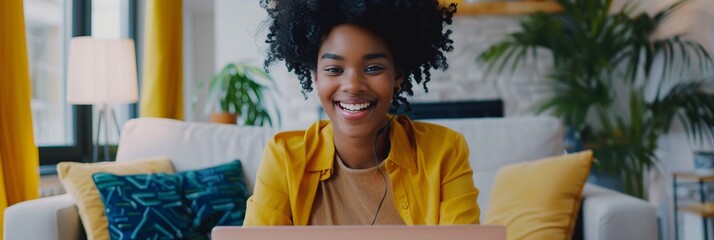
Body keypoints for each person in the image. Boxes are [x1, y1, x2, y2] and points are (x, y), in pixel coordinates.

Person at [244, 0, 480, 226]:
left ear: (397, 75)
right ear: (316, 76)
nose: (353, 85)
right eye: (334, 69)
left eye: (373, 68)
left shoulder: (444, 151)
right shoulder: (284, 159)